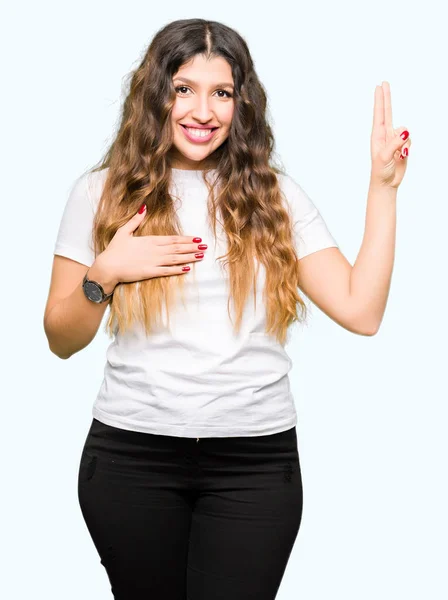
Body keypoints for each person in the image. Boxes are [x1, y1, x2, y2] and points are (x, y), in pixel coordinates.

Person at [43, 17, 411, 600]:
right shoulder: (101, 192)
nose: (202, 110)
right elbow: (60, 339)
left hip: (254, 467)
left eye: (221, 93)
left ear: (242, 104)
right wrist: (104, 275)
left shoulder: (277, 199)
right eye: (183, 88)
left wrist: (383, 186)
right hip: (131, 459)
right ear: (155, 96)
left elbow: (360, 310)